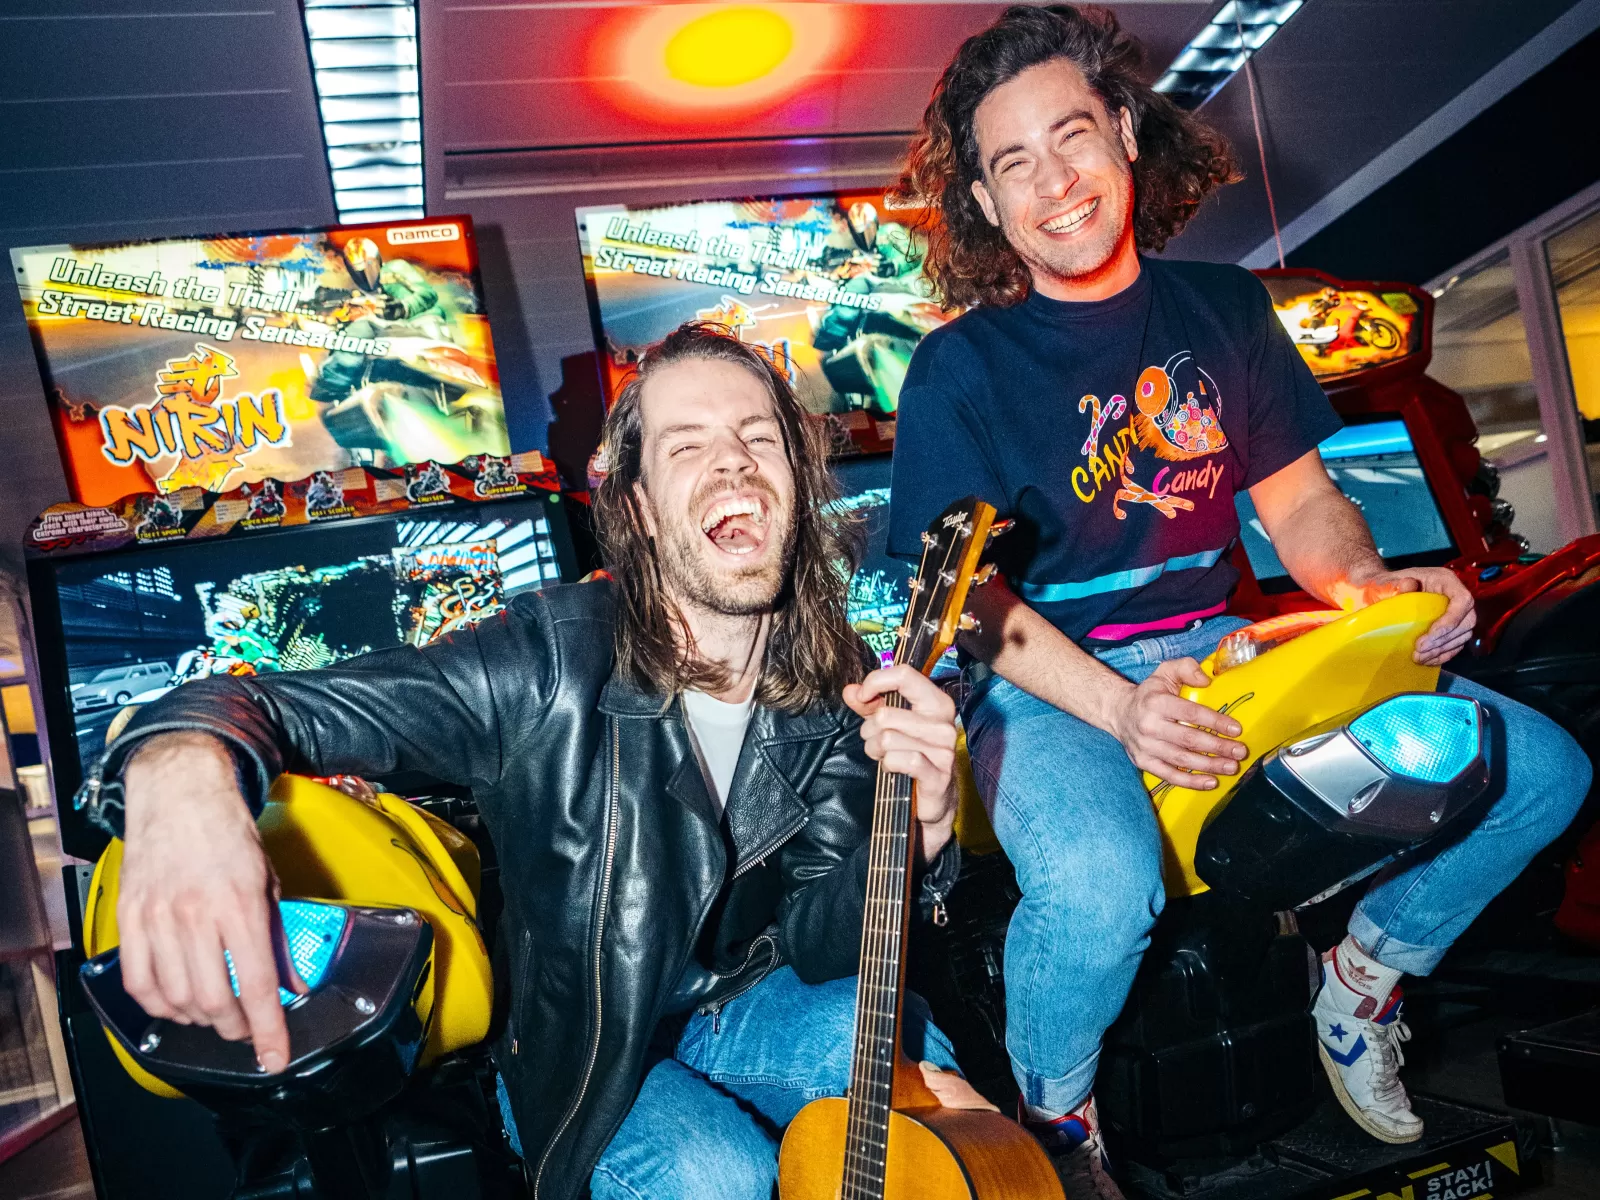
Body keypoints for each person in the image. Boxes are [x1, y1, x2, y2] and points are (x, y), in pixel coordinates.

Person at [885, 6, 1591, 1196]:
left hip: (1222, 644)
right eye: (1014, 164)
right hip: (1050, 683)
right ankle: (1059, 1119)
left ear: (1119, 131)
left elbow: (1304, 505)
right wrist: (1117, 709)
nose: (1054, 182)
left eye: (1070, 137)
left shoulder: (1221, 308)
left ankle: (1361, 979)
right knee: (1102, 885)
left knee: (1541, 770)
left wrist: (1364, 588)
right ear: (986, 203)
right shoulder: (956, 368)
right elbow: (968, 605)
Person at [88, 323, 987, 1200]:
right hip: (585, 1045)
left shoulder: (837, 680)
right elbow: (276, 705)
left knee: (934, 1090)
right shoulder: (543, 661)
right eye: (687, 446)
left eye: (759, 438)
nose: (734, 462)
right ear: (636, 506)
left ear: (795, 480)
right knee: (716, 1172)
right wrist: (181, 779)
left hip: (741, 1005)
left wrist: (922, 824)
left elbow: (827, 943)